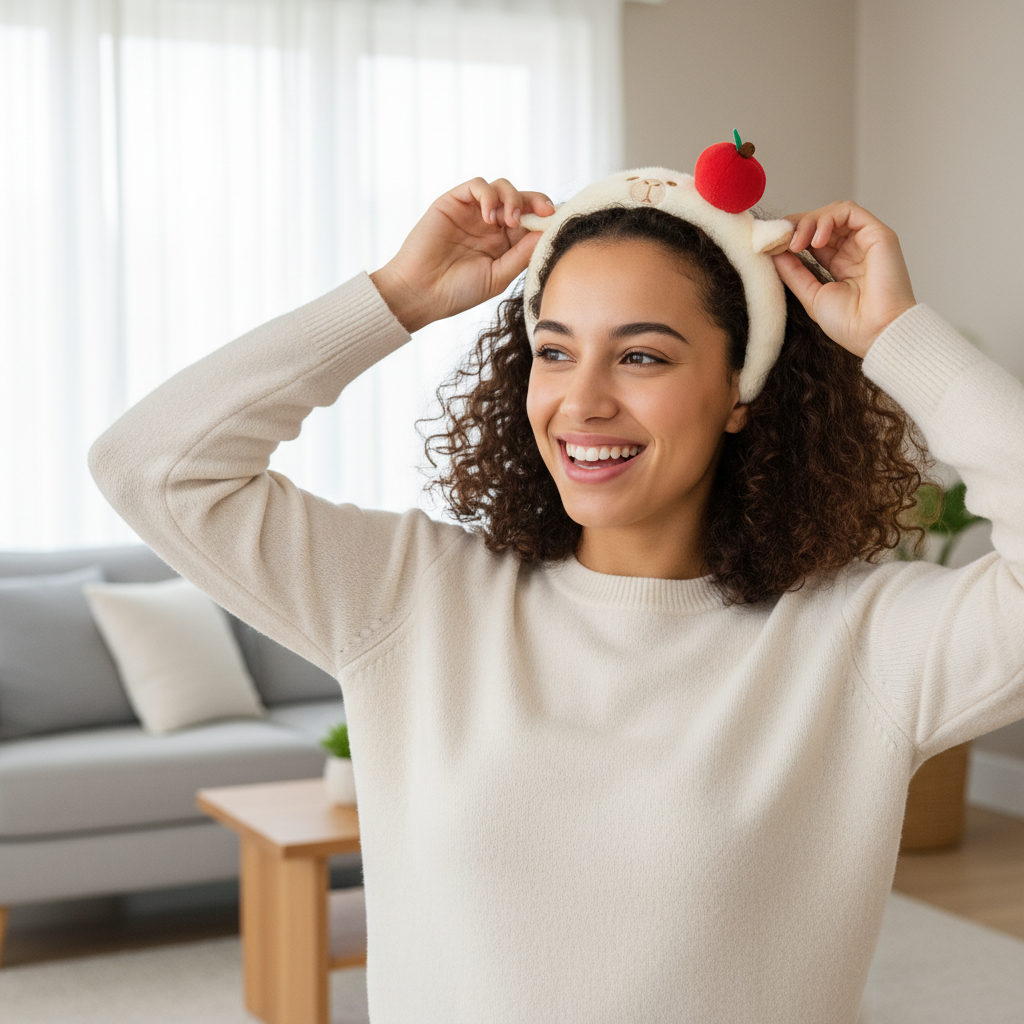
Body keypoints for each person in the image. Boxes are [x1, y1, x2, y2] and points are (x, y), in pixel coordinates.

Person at [89, 156, 1024, 1023]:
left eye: (643, 355)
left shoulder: (859, 642)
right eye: (556, 350)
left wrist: (897, 337)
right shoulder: (413, 598)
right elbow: (153, 467)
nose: (583, 402)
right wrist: (397, 298)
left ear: (741, 388)